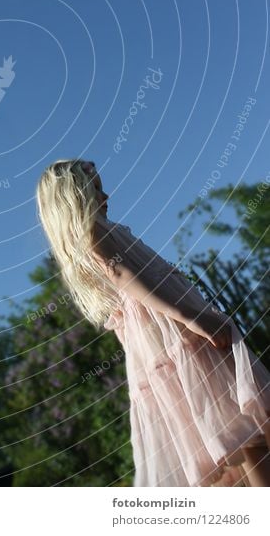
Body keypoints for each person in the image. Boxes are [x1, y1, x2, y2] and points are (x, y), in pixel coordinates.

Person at [35, 158, 270, 487]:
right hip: (177, 336)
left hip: (169, 341)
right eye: (96, 189)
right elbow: (123, 276)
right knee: (240, 427)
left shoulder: (98, 236)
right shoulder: (94, 233)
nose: (106, 195)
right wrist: (192, 317)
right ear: (74, 197)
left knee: (230, 432)